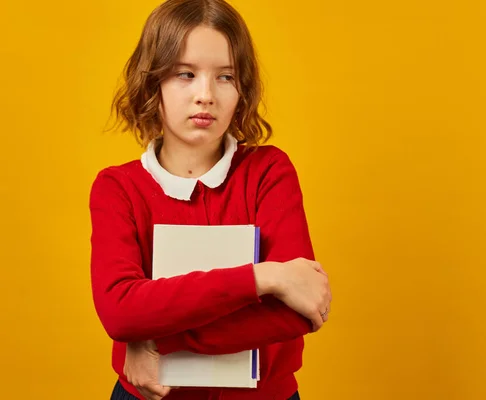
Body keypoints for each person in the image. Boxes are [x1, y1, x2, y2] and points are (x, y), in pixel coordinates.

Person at [88, 0, 332, 399]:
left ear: (242, 89)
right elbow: (120, 311)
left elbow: (299, 308)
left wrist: (154, 342)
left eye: (225, 77)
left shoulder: (269, 172)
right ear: (153, 84)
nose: (206, 95)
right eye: (185, 74)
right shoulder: (118, 188)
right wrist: (264, 277)